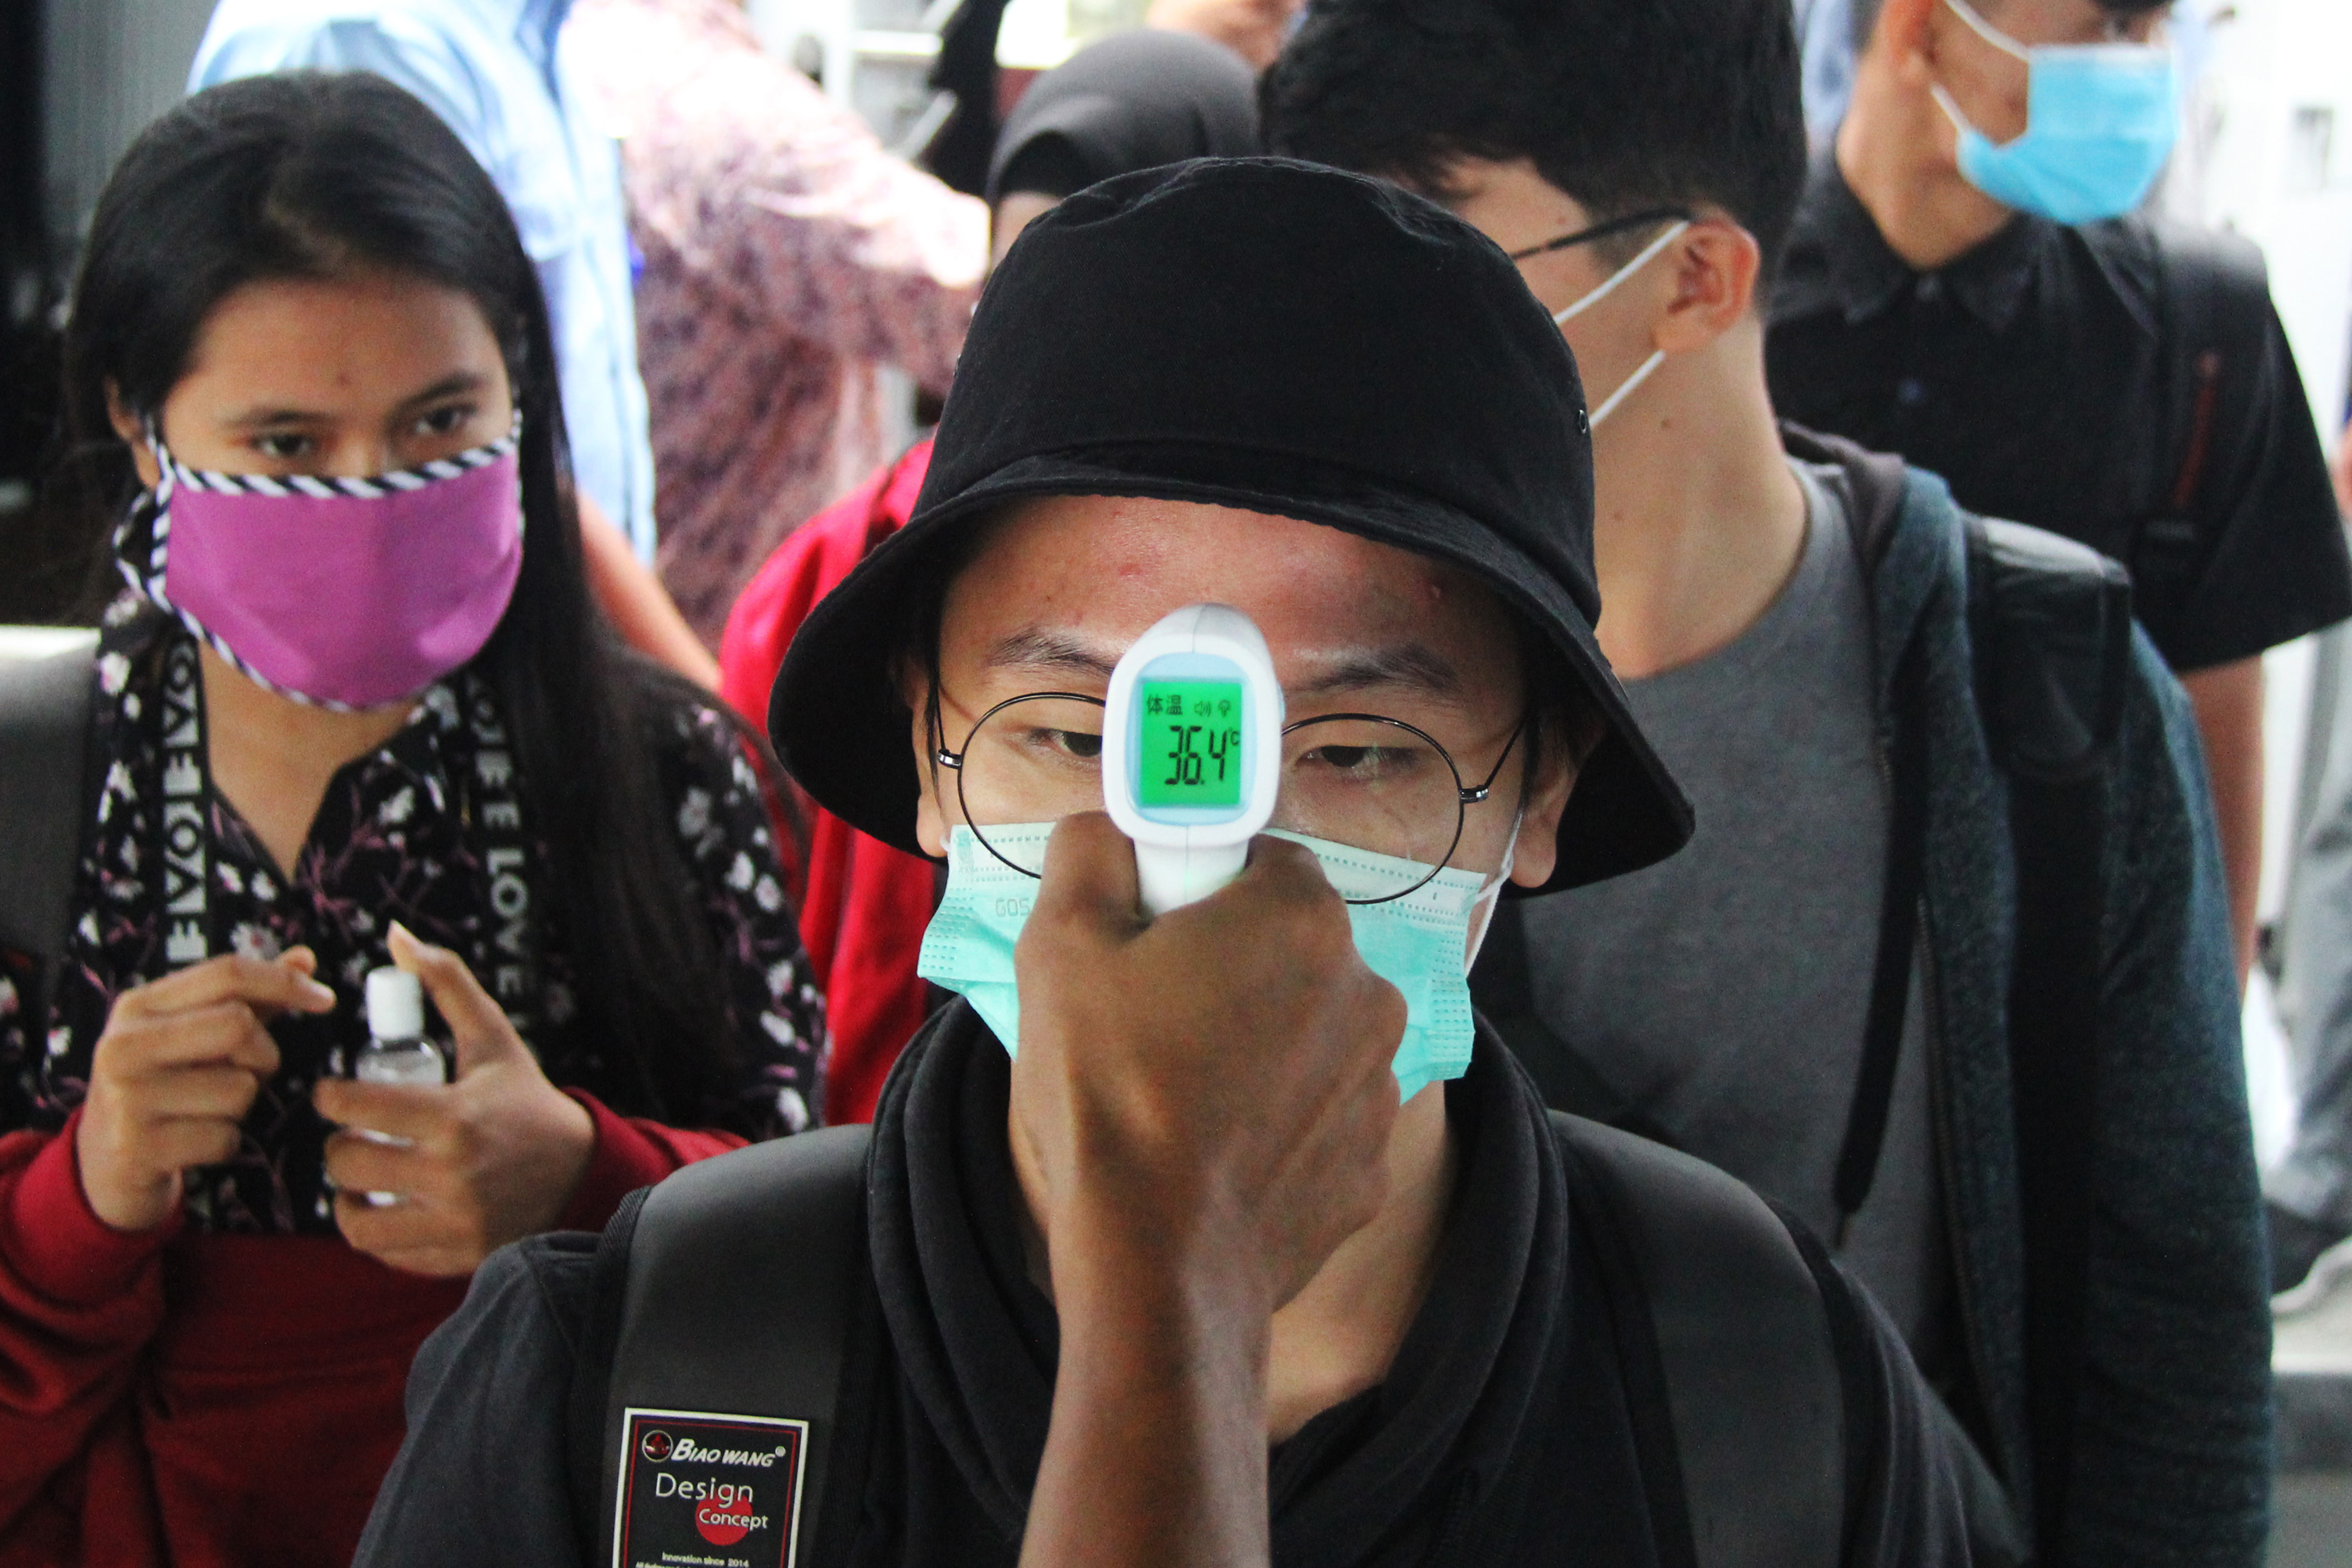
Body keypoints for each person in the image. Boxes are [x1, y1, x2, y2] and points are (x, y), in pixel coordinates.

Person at [351, 157, 1971, 1568]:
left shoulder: (1764, 1408)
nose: (1198, 872)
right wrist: (1174, 1289)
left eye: (1351, 754)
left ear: (1537, 792)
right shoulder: (638, 1387)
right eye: (1072, 734)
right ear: (928, 748)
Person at [1262, 0, 2265, 1562]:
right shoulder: (1292, 699)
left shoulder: (2038, 696)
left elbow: (2173, 1353)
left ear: (1694, 278)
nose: (1363, 339)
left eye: (1441, 269)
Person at [0, 74, 825, 1568]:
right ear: (140, 429)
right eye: (290, 448)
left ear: (521, 382)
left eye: (440, 420)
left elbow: (823, 1264)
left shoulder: (668, 784)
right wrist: (84, 1198)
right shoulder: (29, 794)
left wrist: (581, 1179)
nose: (375, 497)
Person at [717, 25, 1262, 1123]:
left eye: (1134, 313)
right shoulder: (840, 572)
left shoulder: (1310, 617)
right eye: (1025, 305)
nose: (1070, 364)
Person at [1763, 0, 2352, 991]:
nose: (2149, 67)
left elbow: (2215, 728)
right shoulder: (1708, 305)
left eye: (2158, 29)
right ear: (1923, 32)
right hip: (1728, 1023)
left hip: (2058, 1025)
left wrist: (2204, 1039)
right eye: (2110, 29)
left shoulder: (2197, 329)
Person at [188, 0, 724, 692]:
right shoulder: (370, 36)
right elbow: (443, 441)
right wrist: (703, 714)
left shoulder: (537, 31)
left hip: (566, 659)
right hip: (458, 683)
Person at [562, 0, 988, 651]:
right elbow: (1002, 311)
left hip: (619, 656)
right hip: (738, 670)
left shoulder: (571, 64)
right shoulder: (737, 125)